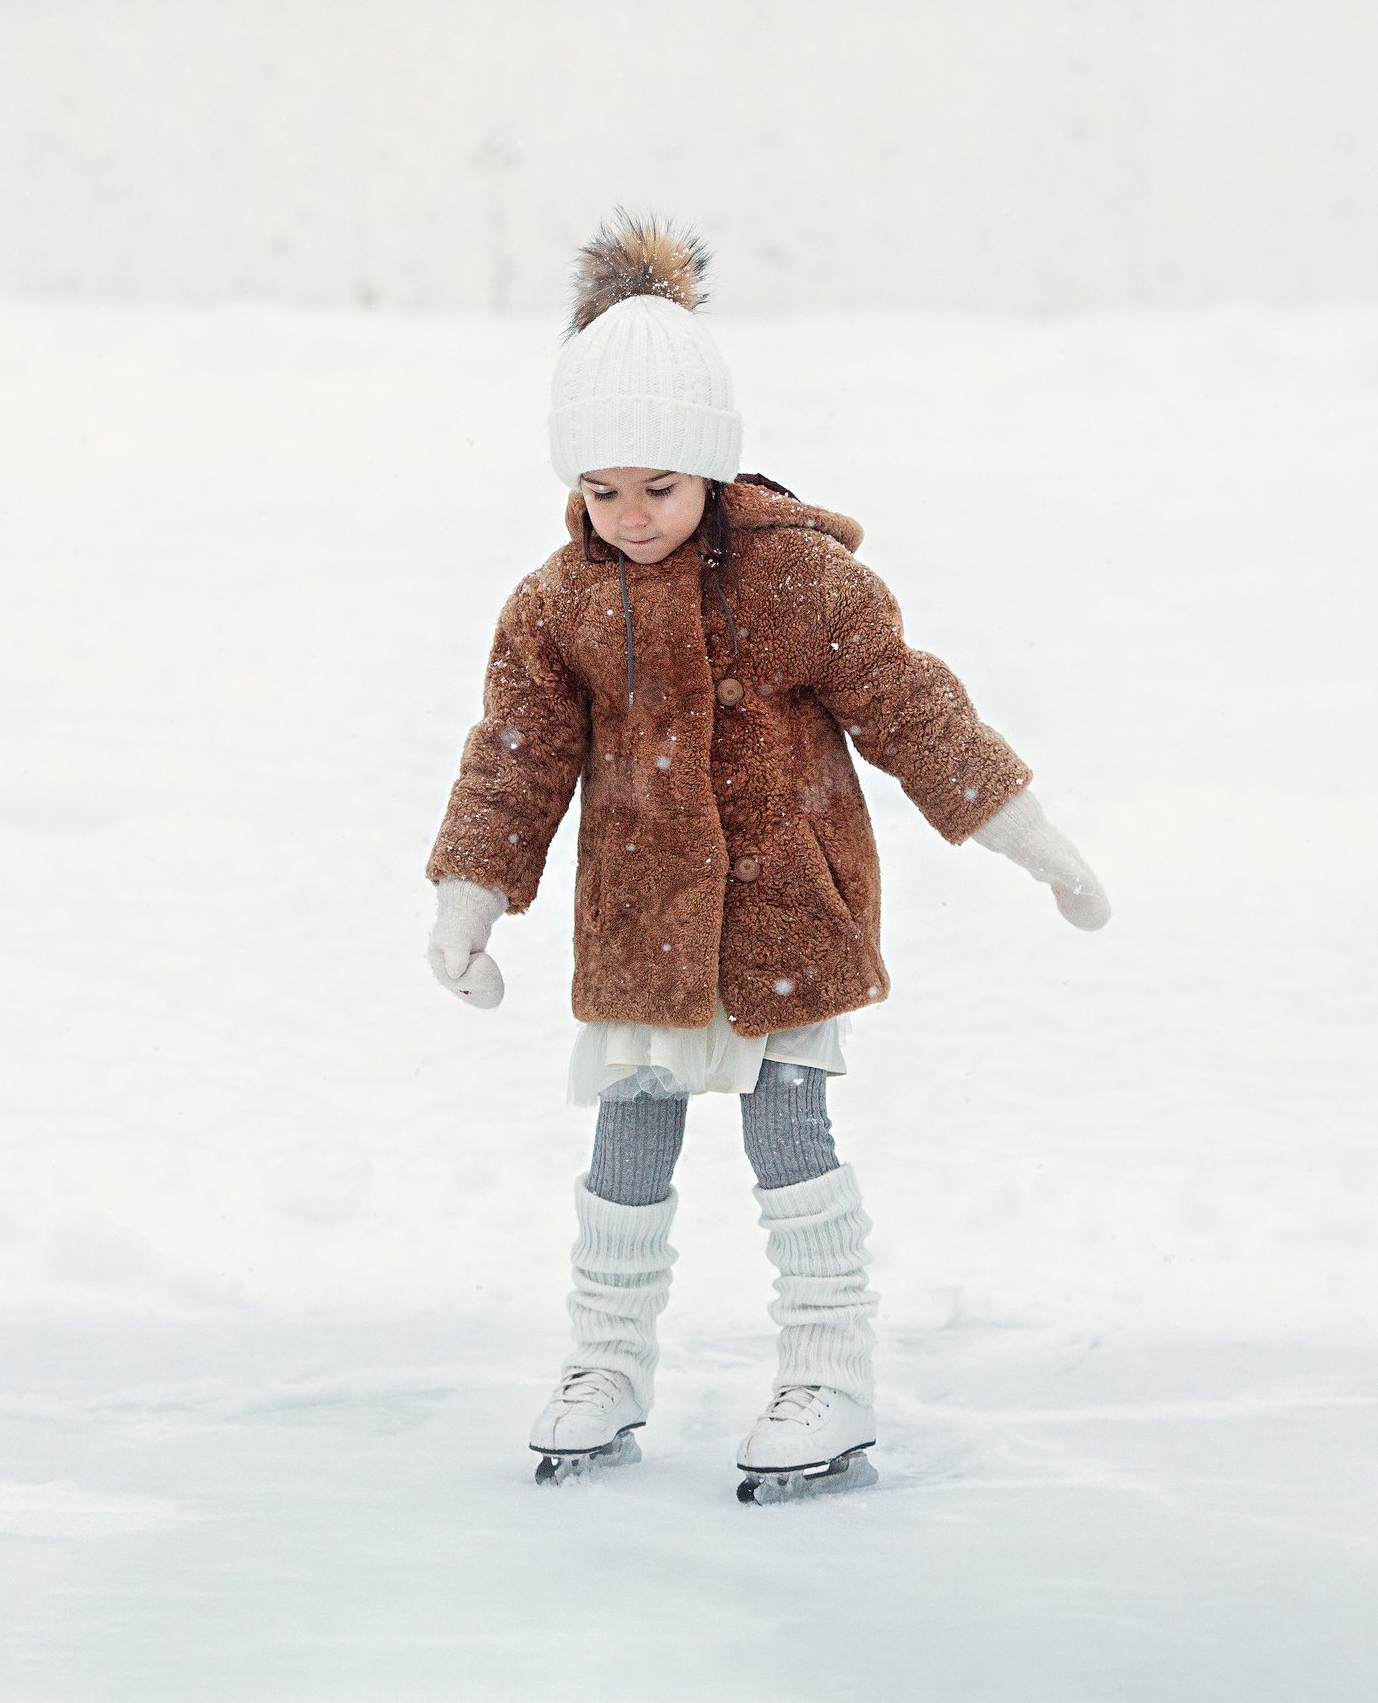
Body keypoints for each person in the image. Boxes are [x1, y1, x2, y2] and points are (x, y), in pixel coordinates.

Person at [424, 215, 1110, 1494]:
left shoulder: (800, 583)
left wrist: (1029, 838)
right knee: (627, 1140)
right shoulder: (557, 605)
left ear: (709, 463)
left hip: (787, 910)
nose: (631, 516)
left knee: (790, 1131)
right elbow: (514, 759)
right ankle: (606, 1363)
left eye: (658, 486)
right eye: (601, 490)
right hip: (639, 922)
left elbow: (912, 711)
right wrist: (468, 899)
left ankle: (827, 1372)